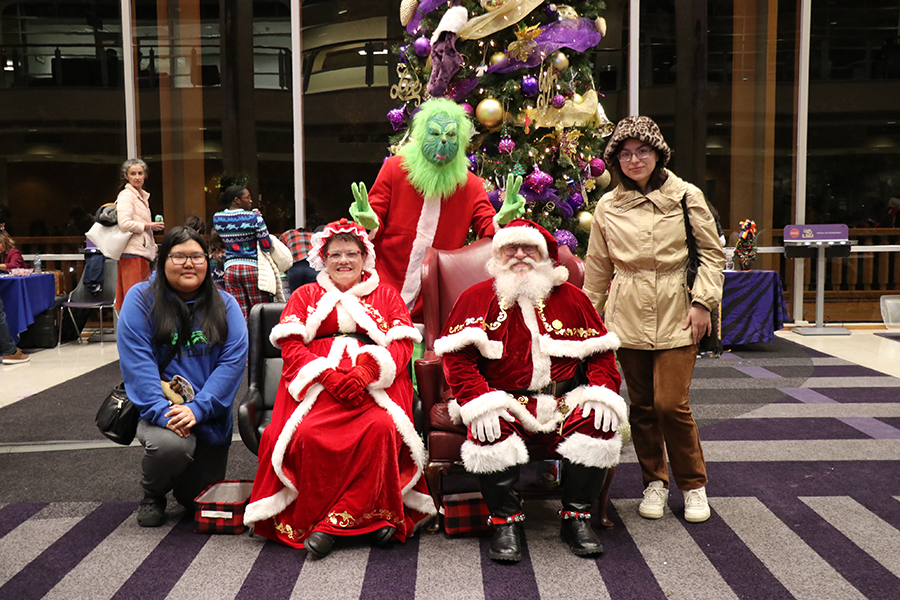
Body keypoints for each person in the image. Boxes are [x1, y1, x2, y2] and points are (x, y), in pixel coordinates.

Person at [435, 219, 626, 562]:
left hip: (565, 400)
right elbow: (458, 361)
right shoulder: (475, 298)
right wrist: (480, 401)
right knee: (489, 427)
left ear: (545, 256)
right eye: (512, 248)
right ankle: (505, 522)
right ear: (498, 255)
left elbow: (601, 356)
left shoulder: (574, 299)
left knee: (597, 422)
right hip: (504, 399)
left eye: (529, 248)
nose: (520, 255)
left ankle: (577, 517)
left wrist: (602, 393)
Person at [245, 218, 435, 558]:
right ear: (323, 258)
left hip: (375, 387)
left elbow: (402, 346)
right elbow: (290, 346)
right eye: (335, 254)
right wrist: (326, 375)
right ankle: (351, 521)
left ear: (365, 257)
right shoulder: (305, 295)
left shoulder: (387, 294)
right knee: (307, 435)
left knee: (382, 428)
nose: (344, 261)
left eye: (351, 254)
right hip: (317, 386)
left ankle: (342, 523)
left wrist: (368, 371)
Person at [583, 116, 725, 524]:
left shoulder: (686, 196)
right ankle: (655, 482)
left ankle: (693, 485)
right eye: (625, 154)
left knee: (670, 404)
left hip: (678, 310)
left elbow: (712, 255)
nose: (634, 160)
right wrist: (589, 323)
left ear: (658, 153)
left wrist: (703, 302)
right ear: (616, 161)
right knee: (642, 406)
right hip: (626, 313)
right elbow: (598, 268)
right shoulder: (608, 205)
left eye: (642, 151)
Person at [117, 226, 248, 527]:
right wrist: (163, 413)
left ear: (207, 262)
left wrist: (198, 409)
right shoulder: (141, 300)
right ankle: (153, 493)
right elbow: (139, 365)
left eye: (197, 257)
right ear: (162, 260)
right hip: (163, 414)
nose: (189, 264)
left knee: (195, 501)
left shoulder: (226, 305)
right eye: (178, 257)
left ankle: (180, 475)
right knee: (171, 448)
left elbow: (231, 366)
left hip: (209, 416)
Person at [348, 97, 525, 320]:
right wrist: (369, 221)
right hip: (382, 285)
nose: (443, 141)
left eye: (451, 135)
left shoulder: (470, 185)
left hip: (430, 298)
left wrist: (503, 220)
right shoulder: (395, 168)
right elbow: (375, 215)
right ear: (422, 134)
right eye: (434, 133)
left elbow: (487, 227)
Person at [212, 186, 272, 320]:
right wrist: (257, 217)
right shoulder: (254, 217)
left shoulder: (217, 218)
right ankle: (259, 334)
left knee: (240, 313)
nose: (251, 201)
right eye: (248, 197)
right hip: (252, 268)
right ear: (237, 200)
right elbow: (266, 245)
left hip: (230, 269)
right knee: (259, 311)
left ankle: (244, 334)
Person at [115, 158, 166, 312]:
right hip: (132, 253)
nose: (137, 177)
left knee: (142, 296)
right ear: (126, 176)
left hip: (142, 253)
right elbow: (124, 224)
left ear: (145, 175)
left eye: (140, 173)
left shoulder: (142, 196)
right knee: (134, 297)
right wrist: (149, 226)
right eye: (133, 174)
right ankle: (133, 325)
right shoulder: (126, 195)